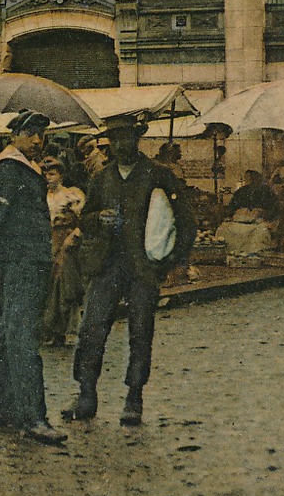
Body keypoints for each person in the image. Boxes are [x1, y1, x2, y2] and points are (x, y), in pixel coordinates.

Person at [63, 118, 196, 427]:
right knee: (92, 328)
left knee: (140, 331)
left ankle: (134, 396)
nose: (122, 145)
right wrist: (98, 219)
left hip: (143, 268)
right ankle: (86, 394)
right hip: (106, 266)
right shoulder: (102, 178)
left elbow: (185, 222)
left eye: (128, 139)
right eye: (116, 139)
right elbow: (85, 220)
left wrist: (171, 262)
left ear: (138, 140)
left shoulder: (158, 175)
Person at [0, 111, 66, 445]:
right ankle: (33, 416)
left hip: (29, 262)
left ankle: (4, 407)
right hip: (20, 264)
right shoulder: (7, 169)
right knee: (24, 339)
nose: (36, 140)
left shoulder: (25, 169)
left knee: (12, 334)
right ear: (14, 135)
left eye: (40, 134)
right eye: (29, 133)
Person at [39, 157, 88, 346]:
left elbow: (82, 221)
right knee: (49, 284)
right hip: (47, 241)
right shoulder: (42, 196)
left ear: (61, 176)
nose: (47, 177)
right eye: (45, 173)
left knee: (64, 283)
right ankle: (51, 330)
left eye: (52, 173)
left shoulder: (71, 195)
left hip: (65, 241)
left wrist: (73, 237)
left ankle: (67, 329)